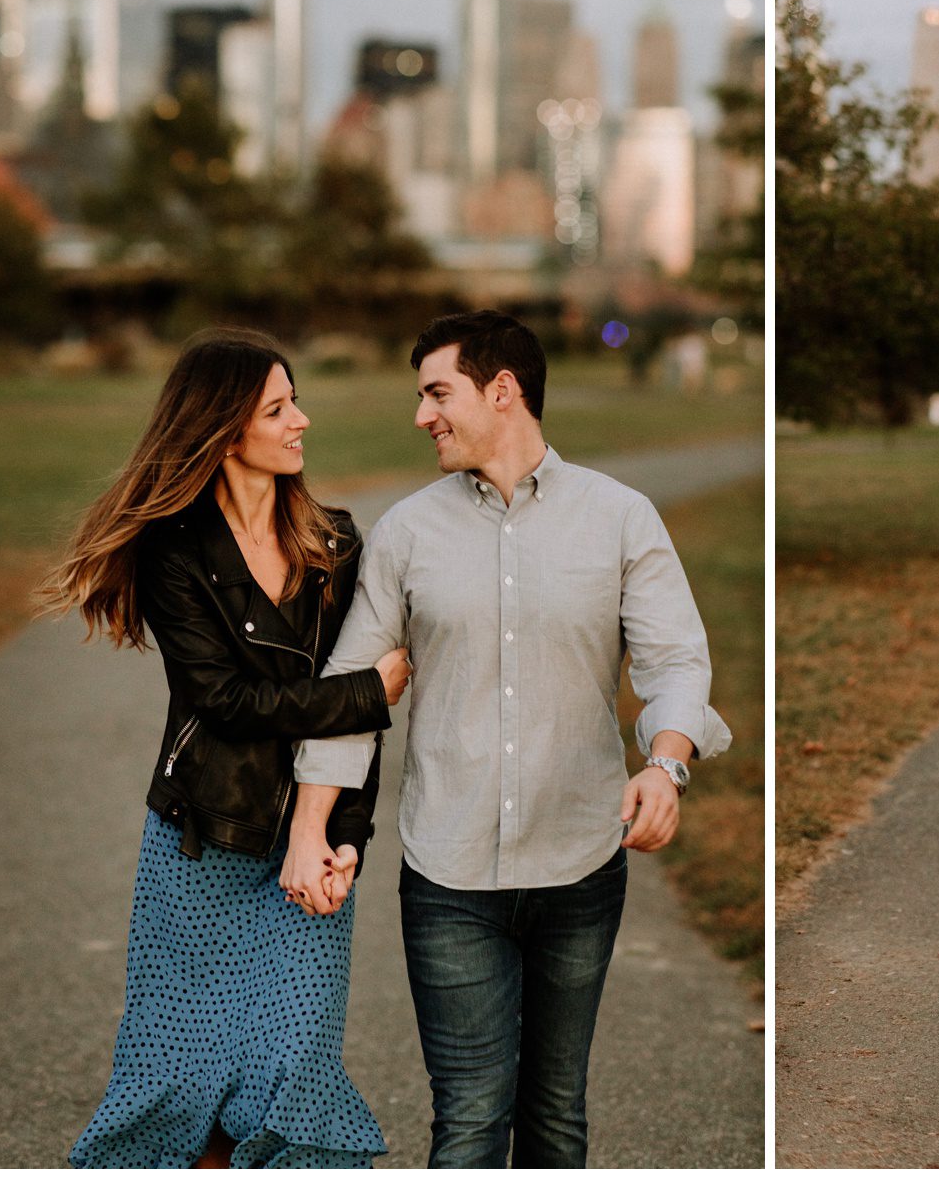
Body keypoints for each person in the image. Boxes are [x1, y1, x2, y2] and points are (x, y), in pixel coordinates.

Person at [295, 310, 731, 1168]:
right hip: (448, 876)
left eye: (437, 393)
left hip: (578, 867)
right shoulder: (407, 533)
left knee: (556, 1118)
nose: (422, 416)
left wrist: (667, 765)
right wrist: (313, 828)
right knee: (468, 1122)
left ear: (503, 391)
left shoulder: (620, 517)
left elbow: (676, 657)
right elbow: (345, 696)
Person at [43, 328, 413, 1167]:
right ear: (223, 429)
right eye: (279, 408)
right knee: (177, 1078)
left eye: (295, 403)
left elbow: (351, 736)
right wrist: (367, 691)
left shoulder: (337, 546)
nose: (302, 421)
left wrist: (344, 837)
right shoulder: (174, 549)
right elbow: (228, 703)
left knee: (292, 1070)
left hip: (311, 848)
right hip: (200, 842)